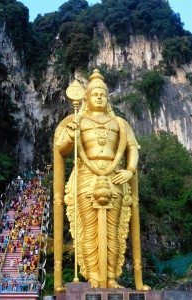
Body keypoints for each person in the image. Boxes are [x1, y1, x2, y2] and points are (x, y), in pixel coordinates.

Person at [53, 69, 150, 291]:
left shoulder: (119, 123)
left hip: (115, 176)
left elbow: (132, 148)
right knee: (89, 230)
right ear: (86, 98)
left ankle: (111, 277)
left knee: (113, 231)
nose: (99, 96)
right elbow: (62, 149)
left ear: (107, 98)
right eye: (94, 93)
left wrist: (130, 170)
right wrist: (71, 133)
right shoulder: (79, 120)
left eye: (103, 94)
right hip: (87, 177)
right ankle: (94, 278)